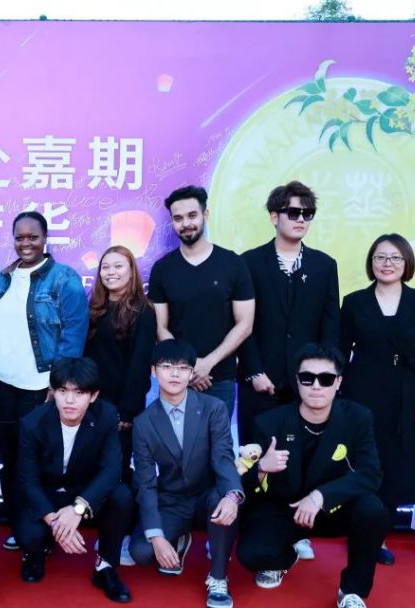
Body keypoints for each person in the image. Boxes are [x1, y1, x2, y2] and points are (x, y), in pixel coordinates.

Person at [236, 344, 388, 608]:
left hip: (332, 508)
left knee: (372, 509)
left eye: (326, 379)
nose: (316, 386)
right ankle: (287, 556)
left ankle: (352, 592)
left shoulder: (358, 418)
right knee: (251, 554)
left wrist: (321, 496)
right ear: (297, 381)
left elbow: (370, 474)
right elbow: (245, 485)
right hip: (285, 508)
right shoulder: (269, 422)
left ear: (338, 382)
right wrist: (261, 469)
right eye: (308, 378)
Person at [238, 181, 340, 560]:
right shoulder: (249, 262)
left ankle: (298, 531)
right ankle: (253, 526)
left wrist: (320, 379)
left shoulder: (324, 265)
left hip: (307, 385)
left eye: (307, 213)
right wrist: (253, 371)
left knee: (304, 457)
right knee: (257, 455)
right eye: (293, 212)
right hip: (260, 381)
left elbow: (330, 327)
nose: (301, 219)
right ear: (274, 216)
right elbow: (242, 325)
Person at [339, 234, 415, 565]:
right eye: (380, 257)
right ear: (371, 262)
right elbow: (339, 353)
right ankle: (359, 530)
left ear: (407, 263)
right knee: (364, 461)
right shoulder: (354, 302)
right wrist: (336, 397)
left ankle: (378, 534)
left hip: (407, 398)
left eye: (396, 258)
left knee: (396, 466)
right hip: (362, 392)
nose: (387, 264)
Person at [0, 210, 88, 550]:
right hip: (2, 383)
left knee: (37, 462)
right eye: (19, 237)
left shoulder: (64, 278)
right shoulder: (4, 277)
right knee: (9, 458)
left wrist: (57, 384)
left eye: (33, 237)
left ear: (45, 239)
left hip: (40, 388)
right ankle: (19, 524)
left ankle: (41, 528)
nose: (26, 243)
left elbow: (74, 335)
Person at [128, 340, 243, 608]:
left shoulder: (213, 408)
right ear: (153, 371)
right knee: (142, 552)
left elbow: (223, 458)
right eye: (167, 367)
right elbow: (145, 482)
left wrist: (232, 495)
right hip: (173, 499)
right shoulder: (144, 422)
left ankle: (218, 577)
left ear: (192, 373)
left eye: (182, 368)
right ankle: (177, 538)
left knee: (223, 500)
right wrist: (157, 537)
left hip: (208, 494)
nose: (175, 374)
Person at [15, 357, 134, 603]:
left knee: (121, 496)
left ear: (93, 395)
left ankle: (106, 566)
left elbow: (112, 470)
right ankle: (38, 552)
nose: (69, 400)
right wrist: (56, 523)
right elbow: (28, 479)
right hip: (47, 495)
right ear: (53, 392)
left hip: (84, 492)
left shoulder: (106, 416)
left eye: (78, 393)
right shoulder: (33, 423)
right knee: (29, 536)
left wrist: (78, 508)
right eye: (62, 391)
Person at [149, 185, 254, 412]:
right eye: (178, 218)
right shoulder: (162, 269)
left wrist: (208, 363)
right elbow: (159, 326)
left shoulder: (233, 264)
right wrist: (187, 366)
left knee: (217, 436)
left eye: (192, 215)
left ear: (205, 215)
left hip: (220, 378)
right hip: (175, 378)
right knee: (172, 436)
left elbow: (245, 324)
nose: (186, 223)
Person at [84, 245, 156, 484]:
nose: (110, 272)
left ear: (131, 271)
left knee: (116, 468)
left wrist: (127, 411)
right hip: (90, 402)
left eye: (118, 266)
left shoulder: (143, 311)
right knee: (88, 465)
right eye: (105, 267)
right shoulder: (93, 308)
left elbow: (140, 365)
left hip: (121, 407)